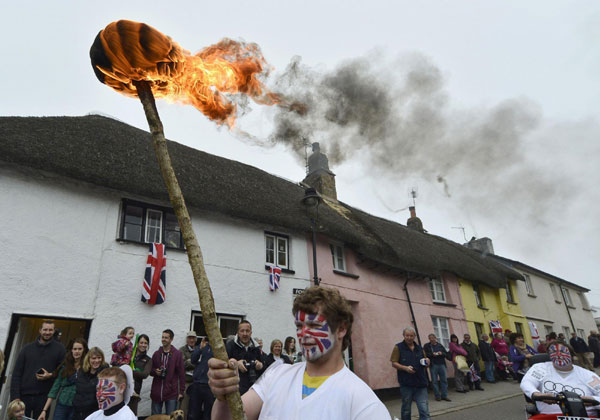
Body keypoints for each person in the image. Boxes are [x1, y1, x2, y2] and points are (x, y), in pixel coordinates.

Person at [208, 286, 390, 420]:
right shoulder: (277, 374)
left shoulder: (364, 403)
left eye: (314, 325)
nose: (304, 333)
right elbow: (231, 417)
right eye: (299, 326)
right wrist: (224, 394)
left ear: (341, 329)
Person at [521, 341, 600, 416]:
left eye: (562, 352)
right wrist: (536, 393)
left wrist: (592, 400)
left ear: (571, 355)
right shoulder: (540, 368)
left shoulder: (588, 375)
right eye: (553, 352)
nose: (558, 355)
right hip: (549, 416)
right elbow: (527, 382)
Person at [10, 320, 66, 419]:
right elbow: (17, 374)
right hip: (23, 397)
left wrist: (50, 375)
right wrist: (16, 398)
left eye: (50, 330)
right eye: (45, 329)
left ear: (54, 331)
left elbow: (63, 373)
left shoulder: (60, 349)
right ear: (40, 330)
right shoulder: (27, 349)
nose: (47, 332)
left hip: (44, 398)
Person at [38, 338, 88, 420]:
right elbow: (54, 389)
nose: (77, 351)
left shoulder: (87, 368)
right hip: (62, 404)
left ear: (84, 350)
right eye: (74, 349)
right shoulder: (65, 367)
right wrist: (44, 410)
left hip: (77, 406)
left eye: (80, 349)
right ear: (71, 350)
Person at [391, 328, 430, 420]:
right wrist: (405, 368)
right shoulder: (398, 347)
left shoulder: (420, 348)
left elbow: (425, 363)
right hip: (406, 383)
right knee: (406, 409)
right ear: (403, 336)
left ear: (414, 336)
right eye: (407, 335)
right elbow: (394, 363)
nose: (409, 337)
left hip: (421, 382)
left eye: (411, 336)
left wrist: (428, 362)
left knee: (424, 409)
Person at [150, 329, 185, 415]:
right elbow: (150, 370)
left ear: (171, 339)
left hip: (171, 393)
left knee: (171, 417)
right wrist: (155, 371)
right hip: (157, 392)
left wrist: (181, 392)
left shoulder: (177, 354)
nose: (163, 339)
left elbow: (181, 374)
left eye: (166, 337)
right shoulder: (156, 354)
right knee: (155, 418)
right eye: (162, 337)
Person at [225, 321, 265, 395]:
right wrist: (235, 364)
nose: (245, 334)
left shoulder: (256, 348)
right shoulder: (230, 346)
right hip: (235, 389)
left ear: (251, 332)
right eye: (242, 331)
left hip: (253, 389)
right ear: (238, 332)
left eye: (247, 331)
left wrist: (260, 366)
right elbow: (223, 364)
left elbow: (264, 367)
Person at [72, 347, 108, 420]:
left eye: (99, 358)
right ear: (88, 359)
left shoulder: (105, 373)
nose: (96, 360)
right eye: (93, 358)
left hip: (94, 412)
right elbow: (78, 390)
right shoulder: (82, 371)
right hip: (78, 411)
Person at [189, 337, 215, 420]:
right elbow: (193, 360)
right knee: (193, 414)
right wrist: (200, 348)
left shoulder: (219, 349)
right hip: (197, 384)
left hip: (210, 385)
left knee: (208, 415)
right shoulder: (202, 346)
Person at [128, 334, 152, 415]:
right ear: (137, 343)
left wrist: (130, 371)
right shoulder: (129, 355)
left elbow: (145, 374)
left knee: (132, 415)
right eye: (141, 342)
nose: (143, 345)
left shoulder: (148, 360)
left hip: (135, 392)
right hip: (123, 390)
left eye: (145, 343)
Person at [423, 334, 450, 402]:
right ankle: (437, 396)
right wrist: (432, 354)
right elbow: (424, 354)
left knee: (444, 380)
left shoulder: (440, 345)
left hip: (442, 364)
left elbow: (445, 354)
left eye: (433, 338)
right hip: (433, 365)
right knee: (434, 381)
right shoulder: (427, 346)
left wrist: (441, 353)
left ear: (435, 338)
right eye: (430, 338)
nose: (431, 339)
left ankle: (444, 395)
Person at [180, 331, 198, 419]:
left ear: (196, 339)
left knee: (195, 406)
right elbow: (182, 365)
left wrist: (189, 361)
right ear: (187, 339)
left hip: (197, 382)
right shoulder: (182, 350)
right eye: (190, 338)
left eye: (193, 338)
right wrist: (194, 362)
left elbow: (202, 363)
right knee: (184, 406)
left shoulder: (199, 349)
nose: (192, 340)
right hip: (186, 382)